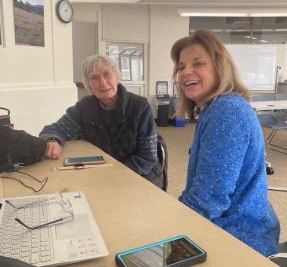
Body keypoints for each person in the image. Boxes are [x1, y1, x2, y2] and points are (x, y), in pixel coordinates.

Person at [170, 29, 279, 256]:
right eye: (181, 66)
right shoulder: (214, 108)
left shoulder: (227, 111)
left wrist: (168, 224)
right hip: (229, 228)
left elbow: (209, 199)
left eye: (198, 63)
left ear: (220, 68)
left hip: (239, 238)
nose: (186, 71)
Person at [39, 55, 163, 188]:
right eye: (94, 78)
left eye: (107, 74)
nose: (102, 83)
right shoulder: (85, 107)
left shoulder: (140, 106)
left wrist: (115, 175)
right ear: (88, 84)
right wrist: (53, 139)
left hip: (139, 176)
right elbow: (56, 129)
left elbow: (147, 157)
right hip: (99, 175)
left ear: (117, 77)